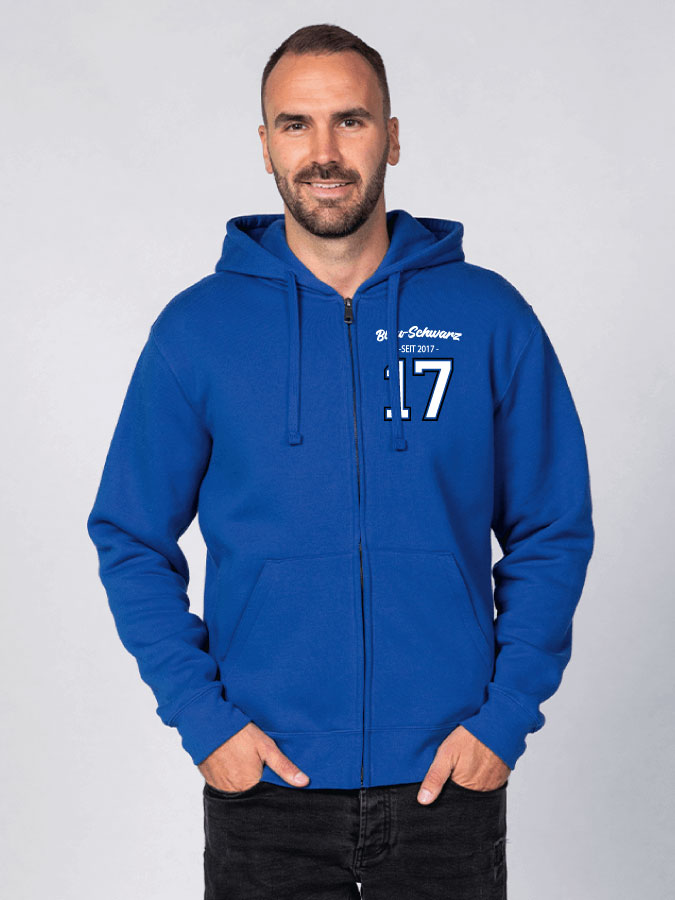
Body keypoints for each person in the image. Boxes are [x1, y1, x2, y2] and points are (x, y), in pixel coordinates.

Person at [86, 22, 595, 900]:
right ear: (265, 145)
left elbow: (551, 527)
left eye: (350, 120)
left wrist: (503, 721)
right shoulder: (196, 331)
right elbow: (130, 536)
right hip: (265, 790)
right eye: (296, 124)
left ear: (391, 136)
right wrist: (205, 724)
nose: (323, 151)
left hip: (446, 784)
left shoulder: (488, 317)